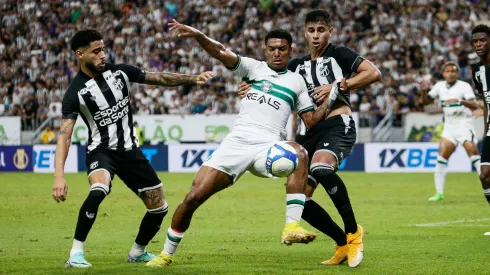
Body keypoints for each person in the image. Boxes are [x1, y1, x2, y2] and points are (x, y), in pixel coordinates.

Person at [147, 20, 336, 267]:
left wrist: (333, 95)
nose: (277, 53)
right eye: (272, 48)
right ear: (265, 50)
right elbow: (220, 51)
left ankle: (291, 225)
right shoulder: (252, 68)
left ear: (290, 50)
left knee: (299, 152)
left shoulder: (297, 82)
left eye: (282, 48)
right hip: (236, 144)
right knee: (193, 196)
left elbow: (310, 120)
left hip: (268, 147)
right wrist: (199, 35)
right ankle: (166, 254)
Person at [51, 29, 214, 268]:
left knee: (159, 207)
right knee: (98, 189)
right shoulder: (75, 93)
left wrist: (192, 78)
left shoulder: (121, 73)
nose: (102, 55)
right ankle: (76, 253)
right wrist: (59, 176)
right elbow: (64, 136)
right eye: (95, 51)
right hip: (101, 151)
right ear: (80, 54)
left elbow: (159, 77)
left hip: (130, 152)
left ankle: (137, 252)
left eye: (103, 49)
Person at [237, 10, 382, 268]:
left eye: (321, 30)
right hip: (308, 132)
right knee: (299, 198)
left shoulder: (339, 54)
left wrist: (339, 86)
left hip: (338, 124)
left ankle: (353, 231)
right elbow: (268, 79)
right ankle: (341, 242)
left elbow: (373, 73)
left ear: (330, 32)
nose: (316, 36)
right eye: (312, 31)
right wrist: (249, 87)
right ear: (305, 33)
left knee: (322, 168)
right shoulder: (296, 66)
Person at [421, 61, 481, 201]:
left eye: (453, 71)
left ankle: (487, 185)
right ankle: (439, 193)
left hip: (464, 124)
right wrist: (424, 91)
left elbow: (474, 105)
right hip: (449, 125)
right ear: (443, 73)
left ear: (457, 73)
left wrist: (459, 100)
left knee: (473, 153)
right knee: (441, 157)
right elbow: (426, 102)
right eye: (447, 71)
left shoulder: (464, 86)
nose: (450, 74)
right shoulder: (439, 86)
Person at [471, 24, 490, 236]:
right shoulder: (478, 71)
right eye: (475, 41)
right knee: (485, 175)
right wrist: (486, 128)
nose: (478, 45)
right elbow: (485, 101)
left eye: (482, 40)